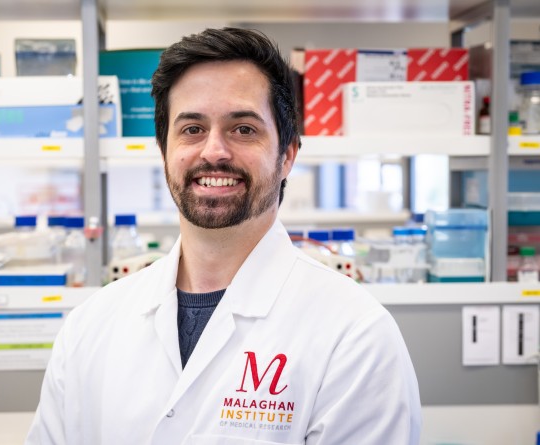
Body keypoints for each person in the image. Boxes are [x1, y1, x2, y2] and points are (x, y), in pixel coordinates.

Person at [26, 27, 421, 444]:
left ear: (287, 155)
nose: (214, 151)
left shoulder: (355, 334)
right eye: (192, 129)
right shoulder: (89, 326)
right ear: (164, 153)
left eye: (243, 129)